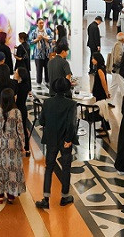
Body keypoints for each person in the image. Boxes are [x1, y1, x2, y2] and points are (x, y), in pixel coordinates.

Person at [35, 77, 76, 208]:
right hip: (65, 140)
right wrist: (69, 140)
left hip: (51, 139)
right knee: (66, 168)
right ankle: (64, 196)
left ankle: (46, 199)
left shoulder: (47, 102)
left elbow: (42, 121)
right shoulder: (71, 104)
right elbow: (71, 124)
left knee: (49, 168)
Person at [0, 88, 25, 204]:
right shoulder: (16, 112)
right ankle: (11, 195)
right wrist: (22, 145)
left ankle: (0, 195)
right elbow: (20, 130)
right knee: (12, 170)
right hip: (13, 145)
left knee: (0, 169)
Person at [13, 67, 32, 156]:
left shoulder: (16, 86)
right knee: (24, 128)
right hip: (23, 109)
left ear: (20, 75)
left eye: (16, 72)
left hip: (16, 109)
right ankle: (27, 148)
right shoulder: (26, 85)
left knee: (14, 129)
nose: (14, 73)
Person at [91, 52, 111, 134]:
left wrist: (106, 92)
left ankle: (105, 127)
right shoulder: (102, 67)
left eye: (93, 58)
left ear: (97, 59)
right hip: (100, 91)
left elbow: (103, 81)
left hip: (100, 92)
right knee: (102, 108)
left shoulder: (99, 69)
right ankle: (104, 126)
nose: (92, 60)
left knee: (102, 109)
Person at [29, 18, 52, 85]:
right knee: (39, 70)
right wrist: (37, 39)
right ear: (37, 24)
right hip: (38, 54)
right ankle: (39, 83)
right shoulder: (34, 32)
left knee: (47, 69)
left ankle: (47, 81)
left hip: (47, 53)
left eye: (42, 23)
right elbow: (31, 42)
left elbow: (51, 39)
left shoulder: (47, 31)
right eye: (40, 23)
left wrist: (43, 37)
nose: (42, 24)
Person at [108, 32, 124, 106]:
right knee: (123, 86)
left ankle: (109, 101)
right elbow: (117, 59)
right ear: (123, 39)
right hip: (117, 69)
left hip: (114, 69)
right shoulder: (119, 46)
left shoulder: (117, 44)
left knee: (114, 86)